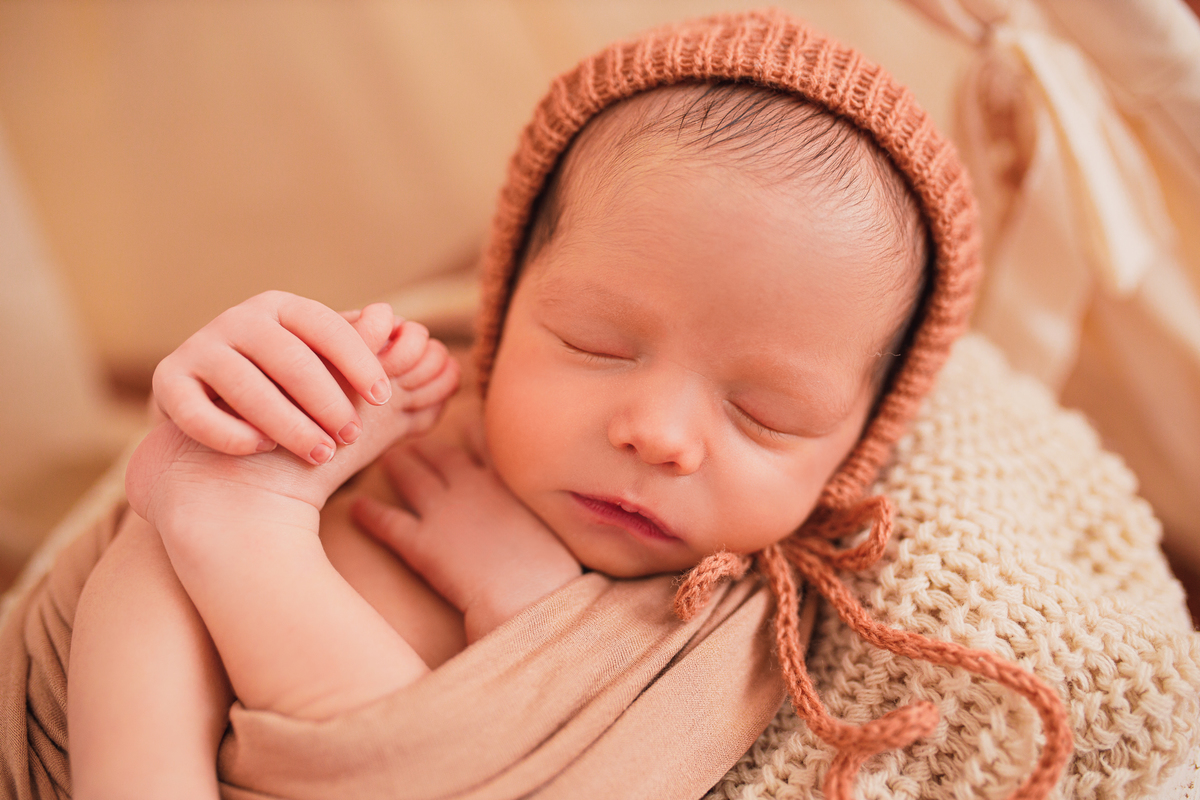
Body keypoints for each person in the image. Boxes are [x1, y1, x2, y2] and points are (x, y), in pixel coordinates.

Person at [65, 13, 1071, 800]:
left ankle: (242, 540)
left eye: (767, 414)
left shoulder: (732, 623)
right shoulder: (414, 406)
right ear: (503, 314)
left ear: (856, 451)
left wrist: (530, 605)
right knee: (154, 551)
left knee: (193, 530)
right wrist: (281, 391)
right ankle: (231, 530)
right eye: (597, 346)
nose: (661, 435)